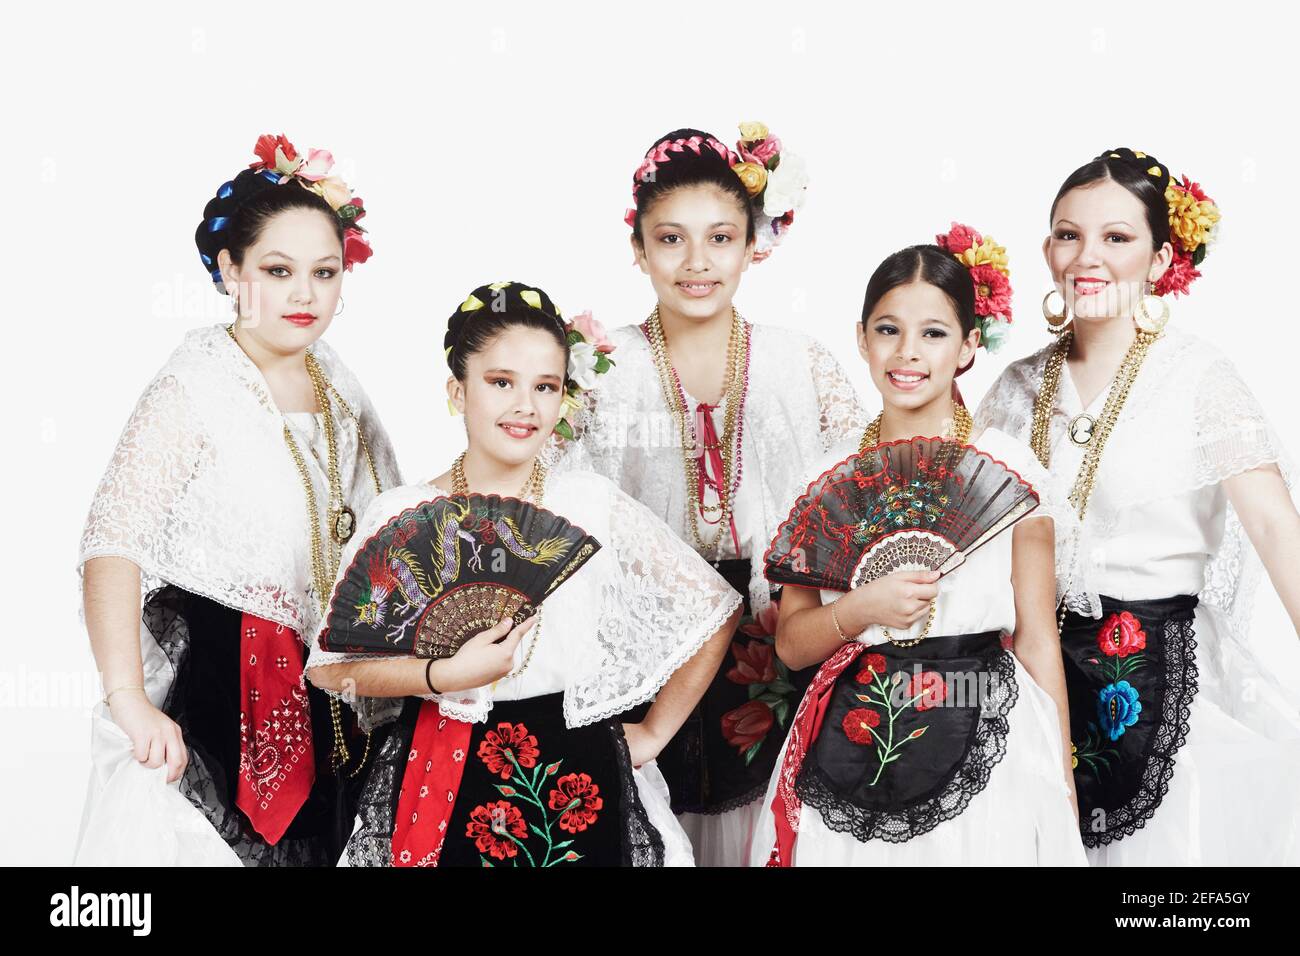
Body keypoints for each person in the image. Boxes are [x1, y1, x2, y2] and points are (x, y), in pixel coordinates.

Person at [307, 281, 742, 867]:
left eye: (545, 387)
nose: (525, 406)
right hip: (442, 767)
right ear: (457, 392)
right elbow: (337, 669)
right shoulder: (400, 513)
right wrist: (443, 674)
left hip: (579, 768)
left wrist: (655, 734)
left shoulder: (586, 503)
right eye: (500, 382)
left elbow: (714, 609)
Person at [75, 133, 400, 865]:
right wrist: (127, 697)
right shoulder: (195, 384)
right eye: (278, 270)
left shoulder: (335, 381)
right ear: (229, 269)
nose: (304, 295)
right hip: (237, 674)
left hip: (334, 676)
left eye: (324, 272)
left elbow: (387, 522)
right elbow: (110, 540)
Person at [975, 147, 1300, 864]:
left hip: (1159, 671)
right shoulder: (1016, 387)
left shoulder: (1197, 378)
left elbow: (1278, 529)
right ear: (1047, 248)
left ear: (1160, 259)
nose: (1088, 257)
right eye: (1069, 234)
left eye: (1117, 238)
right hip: (1029, 676)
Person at [567, 123, 867, 865]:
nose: (697, 263)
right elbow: (557, 518)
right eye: (670, 239)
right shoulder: (601, 374)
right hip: (646, 644)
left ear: (753, 244)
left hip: (779, 641)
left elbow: (865, 508)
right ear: (637, 247)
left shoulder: (802, 365)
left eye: (720, 238)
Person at [752, 229, 1085, 866]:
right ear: (860, 337)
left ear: (966, 348)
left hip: (990, 727)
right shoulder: (826, 478)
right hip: (854, 726)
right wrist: (861, 609)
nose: (907, 353)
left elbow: (1039, 637)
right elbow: (792, 647)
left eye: (933, 333)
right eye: (887, 329)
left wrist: (1062, 782)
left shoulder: (1013, 473)